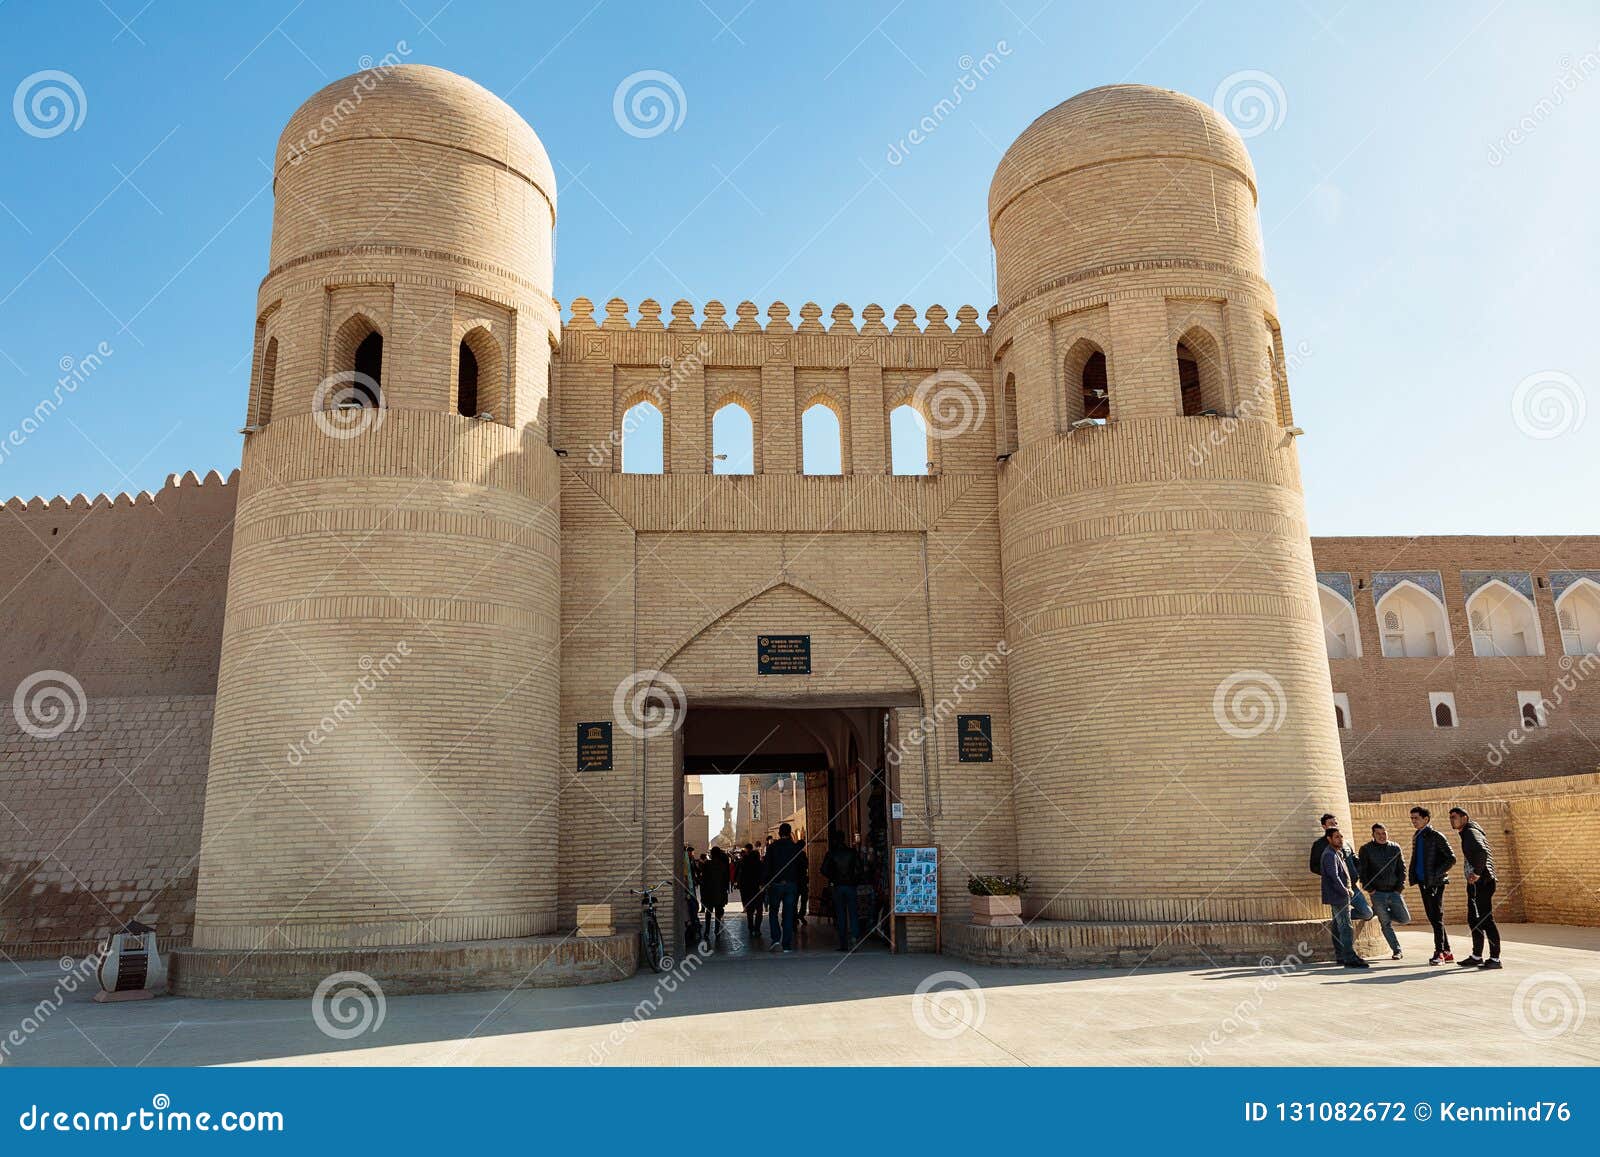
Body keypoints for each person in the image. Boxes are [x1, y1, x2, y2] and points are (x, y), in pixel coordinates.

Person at [1449, 807, 1502, 969]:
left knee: (1486, 920)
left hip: (1483, 882)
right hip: (1476, 883)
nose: (1452, 820)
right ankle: (1477, 955)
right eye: (1450, 817)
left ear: (1464, 818)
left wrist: (1478, 873)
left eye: (1454, 817)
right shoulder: (1469, 832)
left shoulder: (1471, 833)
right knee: (1474, 920)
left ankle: (1495, 959)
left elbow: (1481, 852)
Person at [1409, 806, 1456, 964]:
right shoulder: (1417, 836)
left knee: (1436, 917)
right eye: (1412, 819)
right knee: (1434, 917)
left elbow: (1451, 858)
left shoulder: (1436, 836)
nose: (1413, 821)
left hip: (1435, 883)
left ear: (1426, 819)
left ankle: (1439, 953)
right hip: (1423, 883)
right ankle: (1447, 951)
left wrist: (1436, 874)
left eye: (1416, 818)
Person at [1356, 823, 1411, 959]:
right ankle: (1397, 950)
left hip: (1394, 892)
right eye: (1378, 834)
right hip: (1377, 893)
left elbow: (1402, 870)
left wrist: (1399, 889)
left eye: (1384, 833)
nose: (1382, 836)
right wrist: (1370, 889)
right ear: (1373, 835)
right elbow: (1363, 872)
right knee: (1385, 924)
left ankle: (1377, 912)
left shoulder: (1395, 847)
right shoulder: (1366, 849)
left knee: (1405, 919)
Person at [1320, 828, 1368, 967]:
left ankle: (1341, 955)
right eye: (1336, 837)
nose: (1340, 839)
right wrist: (1345, 890)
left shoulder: (1337, 853)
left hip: (1340, 894)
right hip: (1338, 896)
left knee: (1337, 926)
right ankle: (1349, 957)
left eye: (1341, 836)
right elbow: (1333, 876)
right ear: (1329, 839)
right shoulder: (1329, 854)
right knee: (1346, 926)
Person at [764, 822, 806, 953]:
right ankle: (786, 944)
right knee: (788, 914)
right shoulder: (795, 848)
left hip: (776, 884)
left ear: (779, 833)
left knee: (773, 912)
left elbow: (767, 867)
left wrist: (765, 882)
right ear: (790, 833)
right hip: (791, 884)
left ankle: (776, 939)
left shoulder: (772, 848)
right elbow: (801, 868)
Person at [821, 830, 864, 951]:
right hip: (850, 886)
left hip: (838, 886)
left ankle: (843, 943)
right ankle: (855, 937)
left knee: (840, 914)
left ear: (834, 840)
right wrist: (854, 880)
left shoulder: (831, 853)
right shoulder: (852, 852)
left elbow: (823, 869)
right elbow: (859, 869)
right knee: (853, 913)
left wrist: (833, 877)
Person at [701, 846, 730, 938]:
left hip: (709, 893)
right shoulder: (723, 865)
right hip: (720, 893)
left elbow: (703, 880)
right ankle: (717, 930)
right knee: (718, 913)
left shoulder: (707, 864)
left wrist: (703, 894)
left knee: (708, 913)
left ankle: (706, 931)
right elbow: (726, 880)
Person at [736, 843, 764, 937]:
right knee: (759, 910)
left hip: (748, 890)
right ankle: (757, 929)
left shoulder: (744, 864)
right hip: (758, 890)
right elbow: (763, 877)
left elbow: (741, 878)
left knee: (750, 910)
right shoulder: (760, 864)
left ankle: (751, 927)